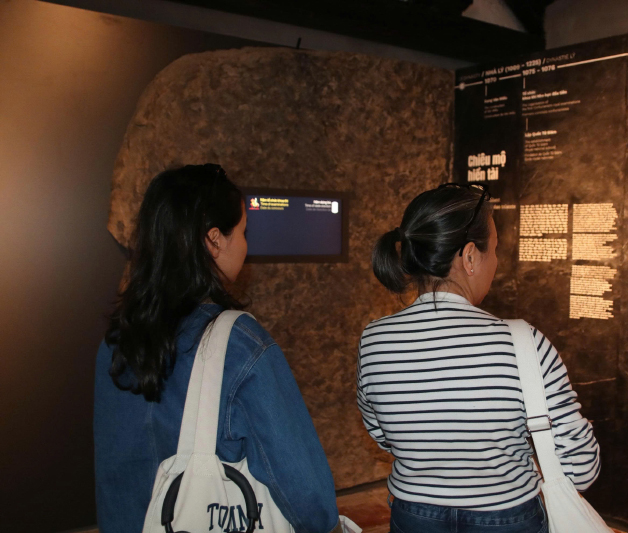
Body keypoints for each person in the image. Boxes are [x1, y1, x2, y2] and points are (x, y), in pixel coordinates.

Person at [94, 164, 342, 533]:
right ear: (214, 240)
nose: (245, 244)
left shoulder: (116, 341)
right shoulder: (240, 344)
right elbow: (305, 490)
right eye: (242, 232)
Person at [357, 183, 601, 533]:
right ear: (470, 257)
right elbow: (582, 467)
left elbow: (384, 435)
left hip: (414, 516)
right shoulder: (524, 342)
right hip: (509, 517)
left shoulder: (374, 339)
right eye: (495, 250)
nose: (497, 262)